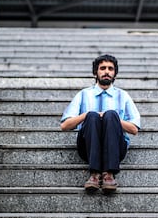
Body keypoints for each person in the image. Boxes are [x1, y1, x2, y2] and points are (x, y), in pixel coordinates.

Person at [60, 54, 141, 194]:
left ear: (115, 73)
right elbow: (65, 125)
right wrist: (87, 115)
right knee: (91, 115)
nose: (106, 71)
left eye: (110, 68)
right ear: (95, 72)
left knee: (111, 114)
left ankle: (109, 174)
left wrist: (113, 119)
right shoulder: (84, 94)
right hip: (87, 148)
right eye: (102, 68)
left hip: (117, 148)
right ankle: (95, 173)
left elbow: (134, 129)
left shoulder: (123, 95)